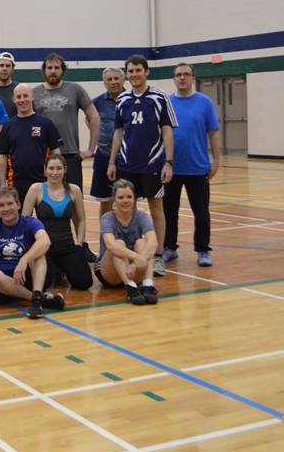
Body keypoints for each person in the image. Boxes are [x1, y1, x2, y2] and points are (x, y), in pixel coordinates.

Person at [106, 54, 177, 277]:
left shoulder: (159, 97)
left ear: (146, 71)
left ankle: (158, 256)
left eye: (138, 70)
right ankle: (132, 253)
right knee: (127, 208)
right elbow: (118, 132)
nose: (134, 74)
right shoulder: (123, 99)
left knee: (157, 210)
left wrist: (168, 162)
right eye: (131, 71)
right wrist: (112, 161)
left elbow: (167, 130)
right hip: (127, 164)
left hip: (152, 164)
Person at [163, 62, 221, 268]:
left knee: (202, 212)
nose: (182, 78)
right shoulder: (166, 103)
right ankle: (169, 248)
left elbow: (213, 132)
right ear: (174, 78)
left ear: (193, 78)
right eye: (178, 74)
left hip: (198, 168)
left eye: (186, 74)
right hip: (171, 169)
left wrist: (216, 161)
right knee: (169, 212)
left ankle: (203, 250)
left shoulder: (204, 102)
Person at [0, 188, 64, 319]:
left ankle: (36, 300)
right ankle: (38, 299)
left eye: (10, 203)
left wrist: (24, 260)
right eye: (1, 205)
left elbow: (45, 241)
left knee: (38, 254)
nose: (6, 209)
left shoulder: (30, 222)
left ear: (18, 205)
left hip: (28, 277)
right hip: (4, 283)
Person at [21, 154, 92, 291]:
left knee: (84, 282)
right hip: (44, 248)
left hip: (67, 246)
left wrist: (79, 245)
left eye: (59, 168)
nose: (55, 172)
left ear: (65, 170)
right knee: (44, 284)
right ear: (45, 170)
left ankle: (60, 268)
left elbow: (81, 219)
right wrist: (30, 249)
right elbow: (25, 220)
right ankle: (55, 269)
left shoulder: (74, 190)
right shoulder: (36, 189)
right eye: (51, 168)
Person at [31, 53, 100, 189]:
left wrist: (91, 149)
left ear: (63, 70)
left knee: (73, 196)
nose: (53, 71)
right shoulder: (34, 93)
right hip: (44, 154)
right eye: (49, 68)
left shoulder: (75, 89)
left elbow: (94, 117)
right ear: (44, 70)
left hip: (70, 154)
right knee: (45, 197)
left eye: (57, 68)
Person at [95, 179, 159, 305]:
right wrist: (137, 258)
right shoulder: (107, 218)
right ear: (114, 199)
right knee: (118, 244)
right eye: (121, 197)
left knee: (142, 243)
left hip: (133, 269)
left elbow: (153, 243)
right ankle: (130, 287)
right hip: (110, 272)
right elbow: (111, 245)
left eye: (129, 197)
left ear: (134, 198)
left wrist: (134, 264)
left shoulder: (141, 216)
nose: (125, 200)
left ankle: (148, 284)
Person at [0, 85, 63, 202]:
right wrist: (2, 184)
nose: (22, 100)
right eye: (19, 97)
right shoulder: (8, 126)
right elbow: (2, 156)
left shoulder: (45, 123)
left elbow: (56, 151)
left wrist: (55, 176)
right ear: (14, 100)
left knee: (45, 213)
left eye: (25, 96)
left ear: (32, 97)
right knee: (20, 214)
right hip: (16, 182)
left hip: (43, 181)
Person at [88, 68, 125, 220]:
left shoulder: (131, 98)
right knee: (105, 200)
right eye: (109, 79)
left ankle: (128, 231)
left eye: (116, 78)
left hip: (127, 157)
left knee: (129, 198)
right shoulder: (97, 102)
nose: (113, 82)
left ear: (123, 80)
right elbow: (89, 120)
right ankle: (106, 232)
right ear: (104, 82)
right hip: (104, 156)